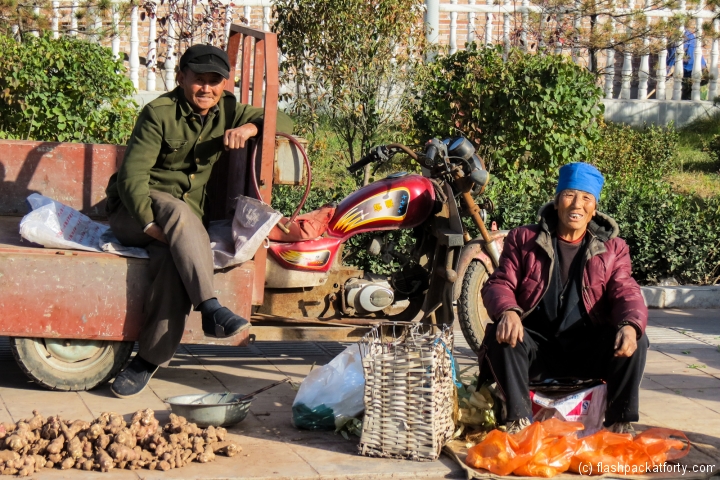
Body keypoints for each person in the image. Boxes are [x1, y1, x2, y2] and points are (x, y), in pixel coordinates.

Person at [105, 44, 293, 398]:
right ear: (181, 78)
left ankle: (147, 359)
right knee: (177, 210)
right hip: (135, 214)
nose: (206, 88)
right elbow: (132, 179)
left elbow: (283, 120)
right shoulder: (158, 113)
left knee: (174, 265)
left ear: (223, 84)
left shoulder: (229, 109)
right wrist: (149, 226)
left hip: (181, 229)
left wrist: (252, 129)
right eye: (198, 80)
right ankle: (210, 306)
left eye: (214, 81)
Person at [479, 163, 648, 434]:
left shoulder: (614, 248)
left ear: (594, 208)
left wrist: (630, 324)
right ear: (557, 201)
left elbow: (626, 291)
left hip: (587, 349)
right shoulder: (524, 239)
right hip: (537, 348)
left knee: (636, 338)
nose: (576, 205)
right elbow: (500, 283)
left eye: (586, 198)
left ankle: (620, 423)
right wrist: (508, 311)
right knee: (504, 336)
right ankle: (519, 422)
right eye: (569, 195)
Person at [667, 28, 707, 100]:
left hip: (696, 72)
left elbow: (674, 55)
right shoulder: (687, 33)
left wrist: (665, 72)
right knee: (686, 100)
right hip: (690, 71)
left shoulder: (682, 36)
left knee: (694, 100)